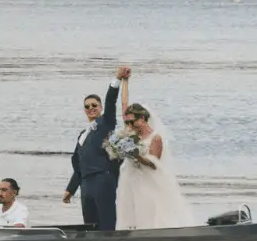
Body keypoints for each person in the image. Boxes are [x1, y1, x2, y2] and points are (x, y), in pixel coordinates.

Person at [115, 77, 194, 230]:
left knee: (146, 210)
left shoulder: (155, 138)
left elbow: (154, 164)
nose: (129, 125)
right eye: (128, 122)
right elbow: (124, 106)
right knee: (128, 211)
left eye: (132, 121)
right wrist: (125, 82)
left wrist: (136, 155)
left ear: (143, 119)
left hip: (146, 180)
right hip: (129, 178)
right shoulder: (130, 133)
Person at [63, 65, 129, 231]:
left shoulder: (105, 124)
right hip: (86, 184)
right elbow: (78, 166)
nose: (91, 108)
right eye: (87, 106)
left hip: (103, 179)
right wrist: (70, 190)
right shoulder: (82, 135)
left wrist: (117, 79)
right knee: (89, 225)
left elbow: (111, 101)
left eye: (94, 105)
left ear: (100, 107)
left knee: (106, 222)